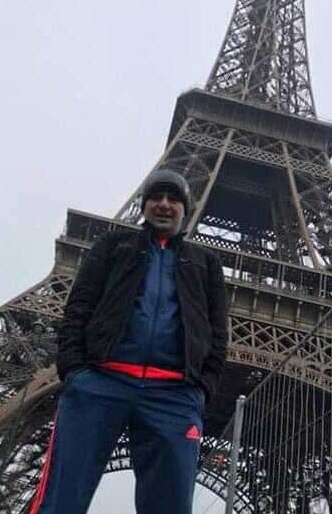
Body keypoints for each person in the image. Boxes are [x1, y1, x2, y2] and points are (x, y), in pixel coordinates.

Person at [29, 170, 228, 514]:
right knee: (61, 499)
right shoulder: (113, 245)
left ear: (185, 209)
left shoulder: (206, 262)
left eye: (173, 199)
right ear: (144, 205)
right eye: (156, 197)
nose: (164, 204)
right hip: (101, 380)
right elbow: (80, 305)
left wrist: (202, 387)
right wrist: (74, 369)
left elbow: (218, 329)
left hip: (174, 393)